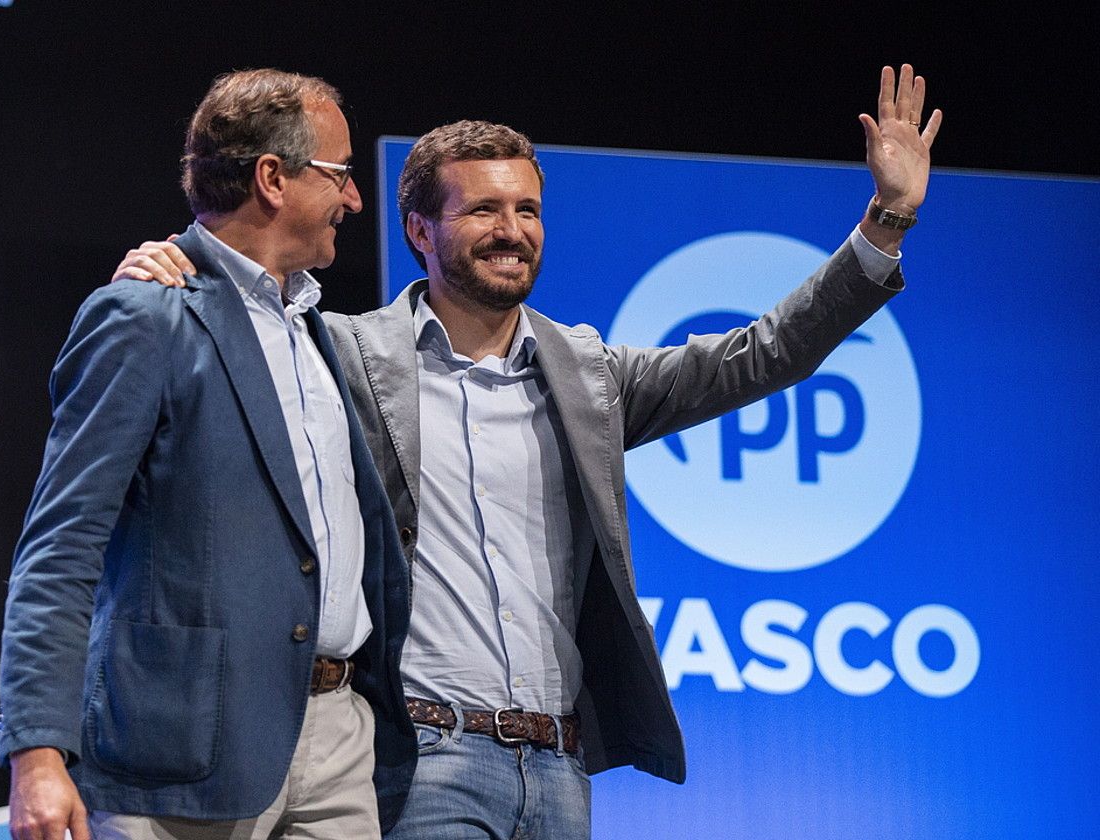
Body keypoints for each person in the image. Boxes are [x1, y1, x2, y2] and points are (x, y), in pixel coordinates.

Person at [113, 65, 941, 839]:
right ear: (419, 229)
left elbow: (763, 354)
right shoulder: (338, 357)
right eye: (482, 211)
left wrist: (886, 223)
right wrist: (172, 267)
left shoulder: (589, 377)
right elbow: (241, 316)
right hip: (424, 761)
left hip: (559, 767)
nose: (512, 232)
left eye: (528, 211)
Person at [0, 69, 414, 840]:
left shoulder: (318, 330)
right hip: (182, 752)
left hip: (339, 736)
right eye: (341, 174)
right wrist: (37, 753)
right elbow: (60, 548)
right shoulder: (146, 315)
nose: (354, 199)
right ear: (272, 179)